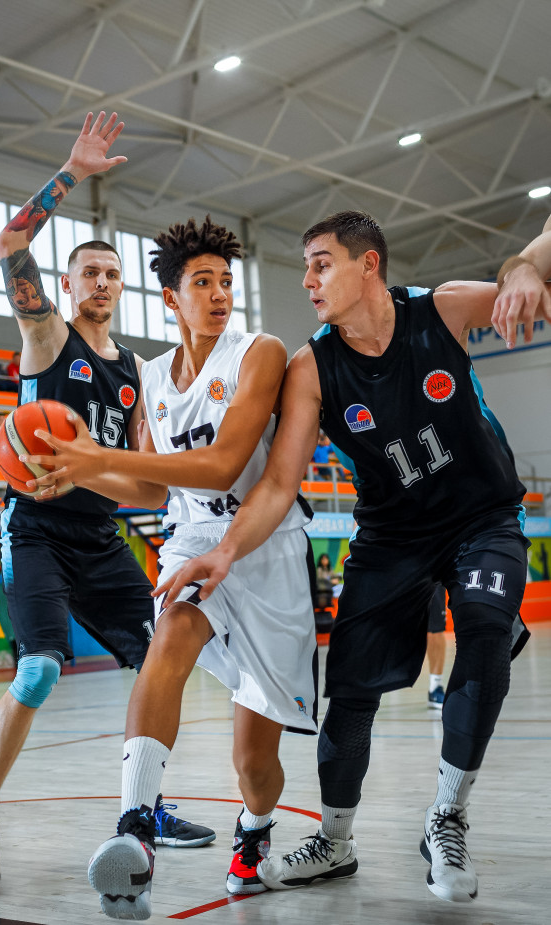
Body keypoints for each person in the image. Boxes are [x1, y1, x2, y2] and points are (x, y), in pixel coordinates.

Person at [153, 210, 551, 905]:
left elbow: (532, 266)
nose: (308, 280)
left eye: (322, 264)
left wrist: (523, 268)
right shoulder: (312, 368)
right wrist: (224, 550)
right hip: (391, 537)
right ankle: (334, 842)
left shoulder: (441, 310)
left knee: (485, 634)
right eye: (305, 267)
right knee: (350, 692)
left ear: (369, 265)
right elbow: (280, 482)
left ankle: (446, 817)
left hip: (482, 518)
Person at [22, 209, 318, 919]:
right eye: (203, 282)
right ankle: (134, 826)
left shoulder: (259, 352)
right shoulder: (152, 375)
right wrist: (77, 474)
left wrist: (97, 456)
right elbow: (154, 490)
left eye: (226, 282)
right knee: (170, 636)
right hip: (190, 540)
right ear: (171, 298)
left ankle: (254, 832)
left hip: (262, 545)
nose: (219, 294)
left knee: (254, 761)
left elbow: (221, 466)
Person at [0, 111, 214, 894]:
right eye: (88, 272)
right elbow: (9, 241)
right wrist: (71, 173)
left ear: (123, 288)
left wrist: (84, 470)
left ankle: (145, 806)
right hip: (34, 531)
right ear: (66, 286)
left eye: (111, 274)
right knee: (37, 670)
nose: (101, 282)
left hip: (98, 536)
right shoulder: (46, 338)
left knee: (160, 661)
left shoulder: (136, 373)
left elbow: (152, 487)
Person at [427, 584, 447, 710]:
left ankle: (434, 687)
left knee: (435, 629)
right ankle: (370, 688)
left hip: (432, 576)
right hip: (395, 573)